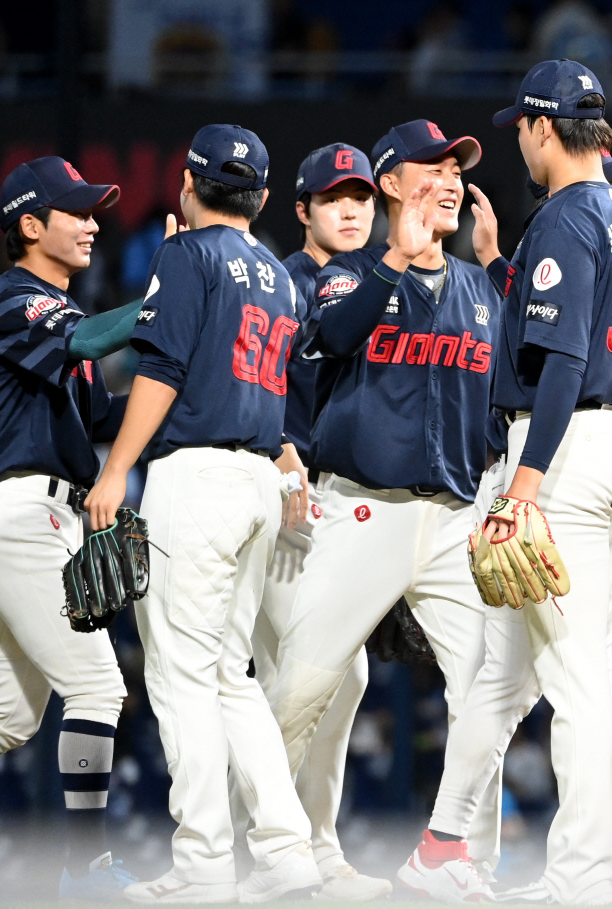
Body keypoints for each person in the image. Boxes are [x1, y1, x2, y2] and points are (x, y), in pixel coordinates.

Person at [404, 59, 612, 906]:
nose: (518, 138)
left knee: (579, 677)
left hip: (564, 454)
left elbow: (560, 365)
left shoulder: (564, 216)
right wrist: (501, 265)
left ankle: (589, 875)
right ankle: (445, 844)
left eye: (520, 125)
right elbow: (573, 332)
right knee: (510, 672)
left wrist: (525, 482)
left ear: (542, 128)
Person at [262, 120, 506, 894]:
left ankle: (453, 852)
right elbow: (331, 336)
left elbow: (505, 403)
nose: (450, 180)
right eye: (432, 168)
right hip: (360, 509)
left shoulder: (474, 288)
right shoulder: (351, 273)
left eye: (457, 168)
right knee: (302, 688)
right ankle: (249, 841)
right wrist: (395, 257)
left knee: (492, 686)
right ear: (393, 182)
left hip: (454, 518)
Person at [83, 124, 321, 903]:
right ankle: (286, 853)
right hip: (257, 478)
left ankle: (203, 866)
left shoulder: (187, 255)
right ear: (258, 195)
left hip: (199, 478)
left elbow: (164, 370)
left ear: (188, 185)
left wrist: (116, 468)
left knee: (181, 674)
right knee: (229, 674)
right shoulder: (282, 275)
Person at [0, 157, 140, 900]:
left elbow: (102, 415)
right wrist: (170, 302)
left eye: (93, 210)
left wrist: (177, 383)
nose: (93, 223)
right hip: (16, 514)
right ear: (30, 225)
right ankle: (87, 871)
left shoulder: (61, 315)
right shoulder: (14, 298)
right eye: (76, 211)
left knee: (9, 716)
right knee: (100, 686)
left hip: (35, 514)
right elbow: (87, 342)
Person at [244, 142, 390, 900]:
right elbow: (253, 379)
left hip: (347, 499)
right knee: (306, 671)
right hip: (287, 486)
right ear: (300, 210)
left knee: (334, 673)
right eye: (333, 197)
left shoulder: (379, 281)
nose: (350, 208)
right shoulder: (285, 279)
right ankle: (271, 843)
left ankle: (300, 842)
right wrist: (281, 458)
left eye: (361, 195)